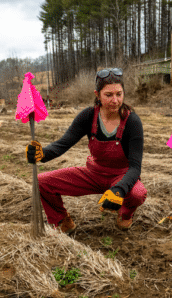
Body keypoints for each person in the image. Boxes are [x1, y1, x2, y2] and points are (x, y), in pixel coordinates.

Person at [26, 68, 146, 233]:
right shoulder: (88, 116)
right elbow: (63, 143)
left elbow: (135, 167)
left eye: (119, 94)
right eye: (108, 95)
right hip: (94, 174)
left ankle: (125, 214)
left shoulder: (132, 121)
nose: (115, 100)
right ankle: (62, 220)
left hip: (121, 176)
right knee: (42, 182)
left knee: (138, 193)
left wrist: (119, 189)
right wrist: (42, 154)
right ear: (97, 94)